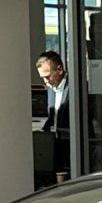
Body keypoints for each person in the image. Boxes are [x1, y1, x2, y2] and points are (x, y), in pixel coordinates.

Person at [36, 50, 70, 181]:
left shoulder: (75, 87)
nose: (46, 81)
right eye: (43, 77)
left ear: (59, 69)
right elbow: (52, 118)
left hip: (71, 145)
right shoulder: (51, 89)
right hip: (55, 145)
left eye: (48, 76)